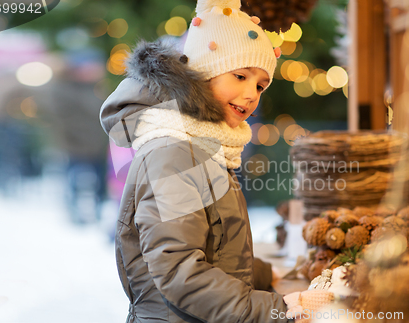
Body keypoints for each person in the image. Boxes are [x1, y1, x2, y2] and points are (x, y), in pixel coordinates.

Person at [100, 0, 295, 321]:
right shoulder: (175, 150)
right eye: (240, 75)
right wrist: (278, 310)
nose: (251, 94)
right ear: (204, 73)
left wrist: (266, 274)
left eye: (260, 85)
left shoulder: (208, 145)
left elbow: (213, 248)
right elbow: (178, 270)